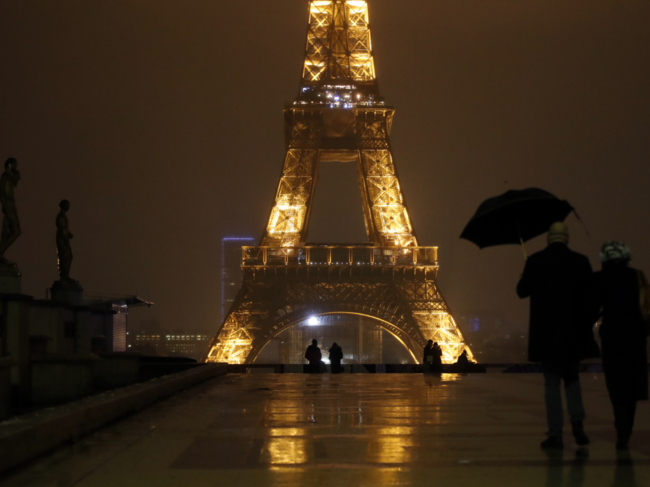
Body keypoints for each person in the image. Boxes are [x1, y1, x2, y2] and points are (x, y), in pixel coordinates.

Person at [517, 222, 598, 450]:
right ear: (567, 238)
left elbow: (522, 291)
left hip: (546, 335)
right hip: (573, 333)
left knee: (551, 384)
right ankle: (578, 424)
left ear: (548, 239)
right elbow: (592, 297)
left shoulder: (535, 261)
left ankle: (555, 434)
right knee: (572, 380)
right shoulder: (581, 261)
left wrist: (526, 275)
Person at [590, 241, 648, 450]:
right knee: (632, 385)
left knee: (616, 384)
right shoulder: (637, 276)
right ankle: (627, 428)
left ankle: (621, 427)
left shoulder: (600, 278)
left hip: (613, 337)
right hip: (635, 336)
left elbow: (592, 309)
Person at [0, 158, 21, 261]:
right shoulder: (4, 177)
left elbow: (16, 182)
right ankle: (1, 251)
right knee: (17, 231)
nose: (15, 167)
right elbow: (1, 193)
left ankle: (1, 253)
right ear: (10, 164)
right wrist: (5, 207)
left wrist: (17, 174)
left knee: (10, 231)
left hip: (12, 206)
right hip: (9, 207)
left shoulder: (9, 177)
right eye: (14, 165)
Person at [56, 200, 74, 280]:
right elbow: (61, 230)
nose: (68, 207)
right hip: (62, 240)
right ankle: (64, 274)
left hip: (63, 238)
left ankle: (65, 274)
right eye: (67, 205)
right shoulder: (61, 216)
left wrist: (69, 234)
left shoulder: (62, 216)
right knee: (66, 256)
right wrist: (66, 242)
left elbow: (64, 229)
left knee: (68, 256)